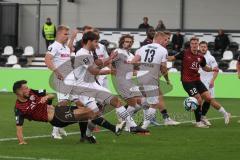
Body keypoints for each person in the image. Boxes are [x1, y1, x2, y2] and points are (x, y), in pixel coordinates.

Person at [72, 31, 149, 133]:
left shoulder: (88, 53)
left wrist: (110, 58)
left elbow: (97, 66)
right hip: (84, 88)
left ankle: (132, 126)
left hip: (92, 85)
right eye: (95, 42)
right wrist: (110, 71)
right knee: (95, 115)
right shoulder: (82, 54)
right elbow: (93, 70)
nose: (97, 44)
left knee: (116, 102)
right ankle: (87, 135)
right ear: (89, 41)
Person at [168, 37, 231, 128]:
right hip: (187, 81)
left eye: (196, 43)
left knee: (209, 98)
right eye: (192, 43)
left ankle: (225, 113)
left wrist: (212, 69)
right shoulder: (184, 53)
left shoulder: (200, 57)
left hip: (197, 80)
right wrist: (163, 57)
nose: (194, 45)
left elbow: (204, 67)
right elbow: (172, 58)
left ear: (198, 45)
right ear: (190, 44)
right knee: (198, 99)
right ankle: (198, 122)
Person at [13, 80, 98, 145]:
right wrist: (21, 141)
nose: (28, 89)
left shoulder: (32, 92)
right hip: (57, 119)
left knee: (85, 111)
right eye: (26, 88)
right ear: (19, 91)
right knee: (88, 112)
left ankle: (84, 136)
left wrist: (46, 97)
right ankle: (105, 130)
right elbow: (19, 127)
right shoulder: (19, 108)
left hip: (59, 110)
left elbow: (52, 95)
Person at [131, 32, 180, 129]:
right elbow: (163, 68)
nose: (167, 42)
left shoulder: (142, 48)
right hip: (151, 79)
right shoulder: (163, 50)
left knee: (147, 100)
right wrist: (167, 80)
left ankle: (165, 119)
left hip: (140, 78)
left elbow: (133, 62)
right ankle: (142, 125)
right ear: (159, 39)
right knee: (154, 104)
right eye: (165, 40)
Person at [199, 41, 219, 126]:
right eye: (202, 46)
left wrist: (212, 80)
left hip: (209, 82)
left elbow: (216, 69)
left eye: (205, 47)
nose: (203, 48)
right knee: (198, 100)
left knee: (208, 100)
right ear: (199, 47)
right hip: (198, 82)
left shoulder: (211, 58)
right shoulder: (196, 56)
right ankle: (198, 118)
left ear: (207, 48)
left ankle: (203, 117)